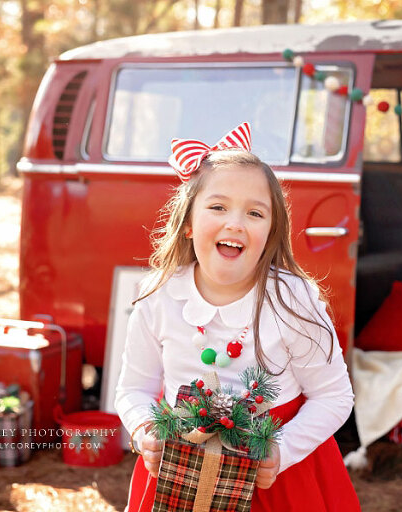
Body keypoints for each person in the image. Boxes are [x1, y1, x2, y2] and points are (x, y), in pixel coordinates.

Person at [115, 122, 360, 511]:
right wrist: (146, 430)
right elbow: (133, 389)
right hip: (180, 478)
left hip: (277, 481)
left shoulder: (293, 301)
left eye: (255, 213)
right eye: (217, 207)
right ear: (189, 224)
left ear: (271, 230)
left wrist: (282, 450)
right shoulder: (159, 297)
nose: (235, 223)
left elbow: (333, 396)